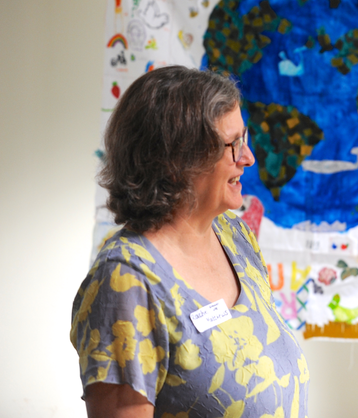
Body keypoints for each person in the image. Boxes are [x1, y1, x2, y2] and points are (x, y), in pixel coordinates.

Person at [70, 66, 309, 418]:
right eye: (233, 145)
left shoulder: (234, 236)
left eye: (245, 139)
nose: (248, 158)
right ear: (175, 161)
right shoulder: (126, 282)